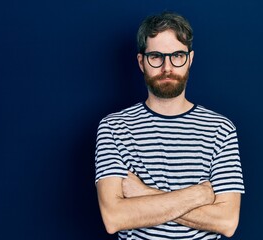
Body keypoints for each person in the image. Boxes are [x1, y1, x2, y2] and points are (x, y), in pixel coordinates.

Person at [95, 12, 245, 239]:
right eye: (156, 56)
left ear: (190, 59)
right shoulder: (113, 127)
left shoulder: (221, 129)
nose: (167, 67)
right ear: (141, 62)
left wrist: (144, 193)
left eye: (177, 55)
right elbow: (114, 218)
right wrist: (200, 194)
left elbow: (226, 222)